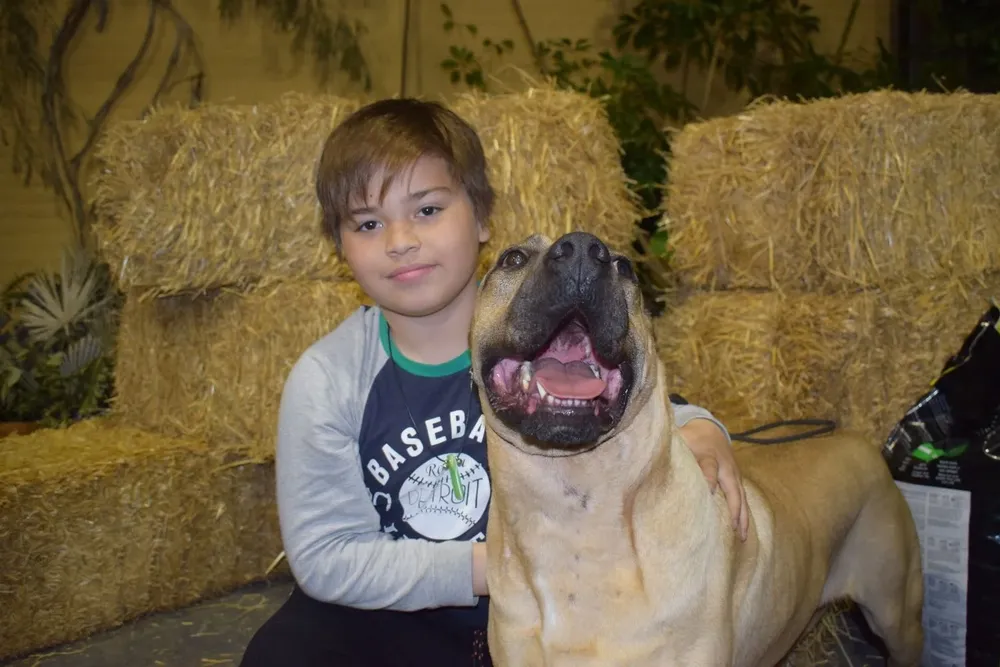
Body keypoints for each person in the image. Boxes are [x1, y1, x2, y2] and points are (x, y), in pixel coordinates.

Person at [239, 98, 749, 667]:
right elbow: (327, 556)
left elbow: (633, 399)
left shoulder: (533, 327)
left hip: (546, 609)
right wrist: (491, 566)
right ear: (339, 247)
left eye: (427, 210)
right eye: (368, 223)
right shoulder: (328, 379)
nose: (400, 239)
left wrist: (703, 429)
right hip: (403, 611)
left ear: (482, 218)